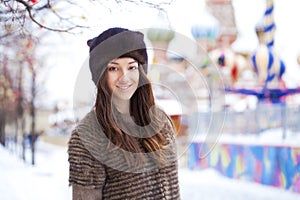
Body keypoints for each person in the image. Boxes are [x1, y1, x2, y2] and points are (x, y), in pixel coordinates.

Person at [68, 27, 180, 199]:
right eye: (113, 68)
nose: (124, 77)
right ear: (100, 75)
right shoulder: (88, 136)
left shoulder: (160, 121)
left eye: (131, 67)